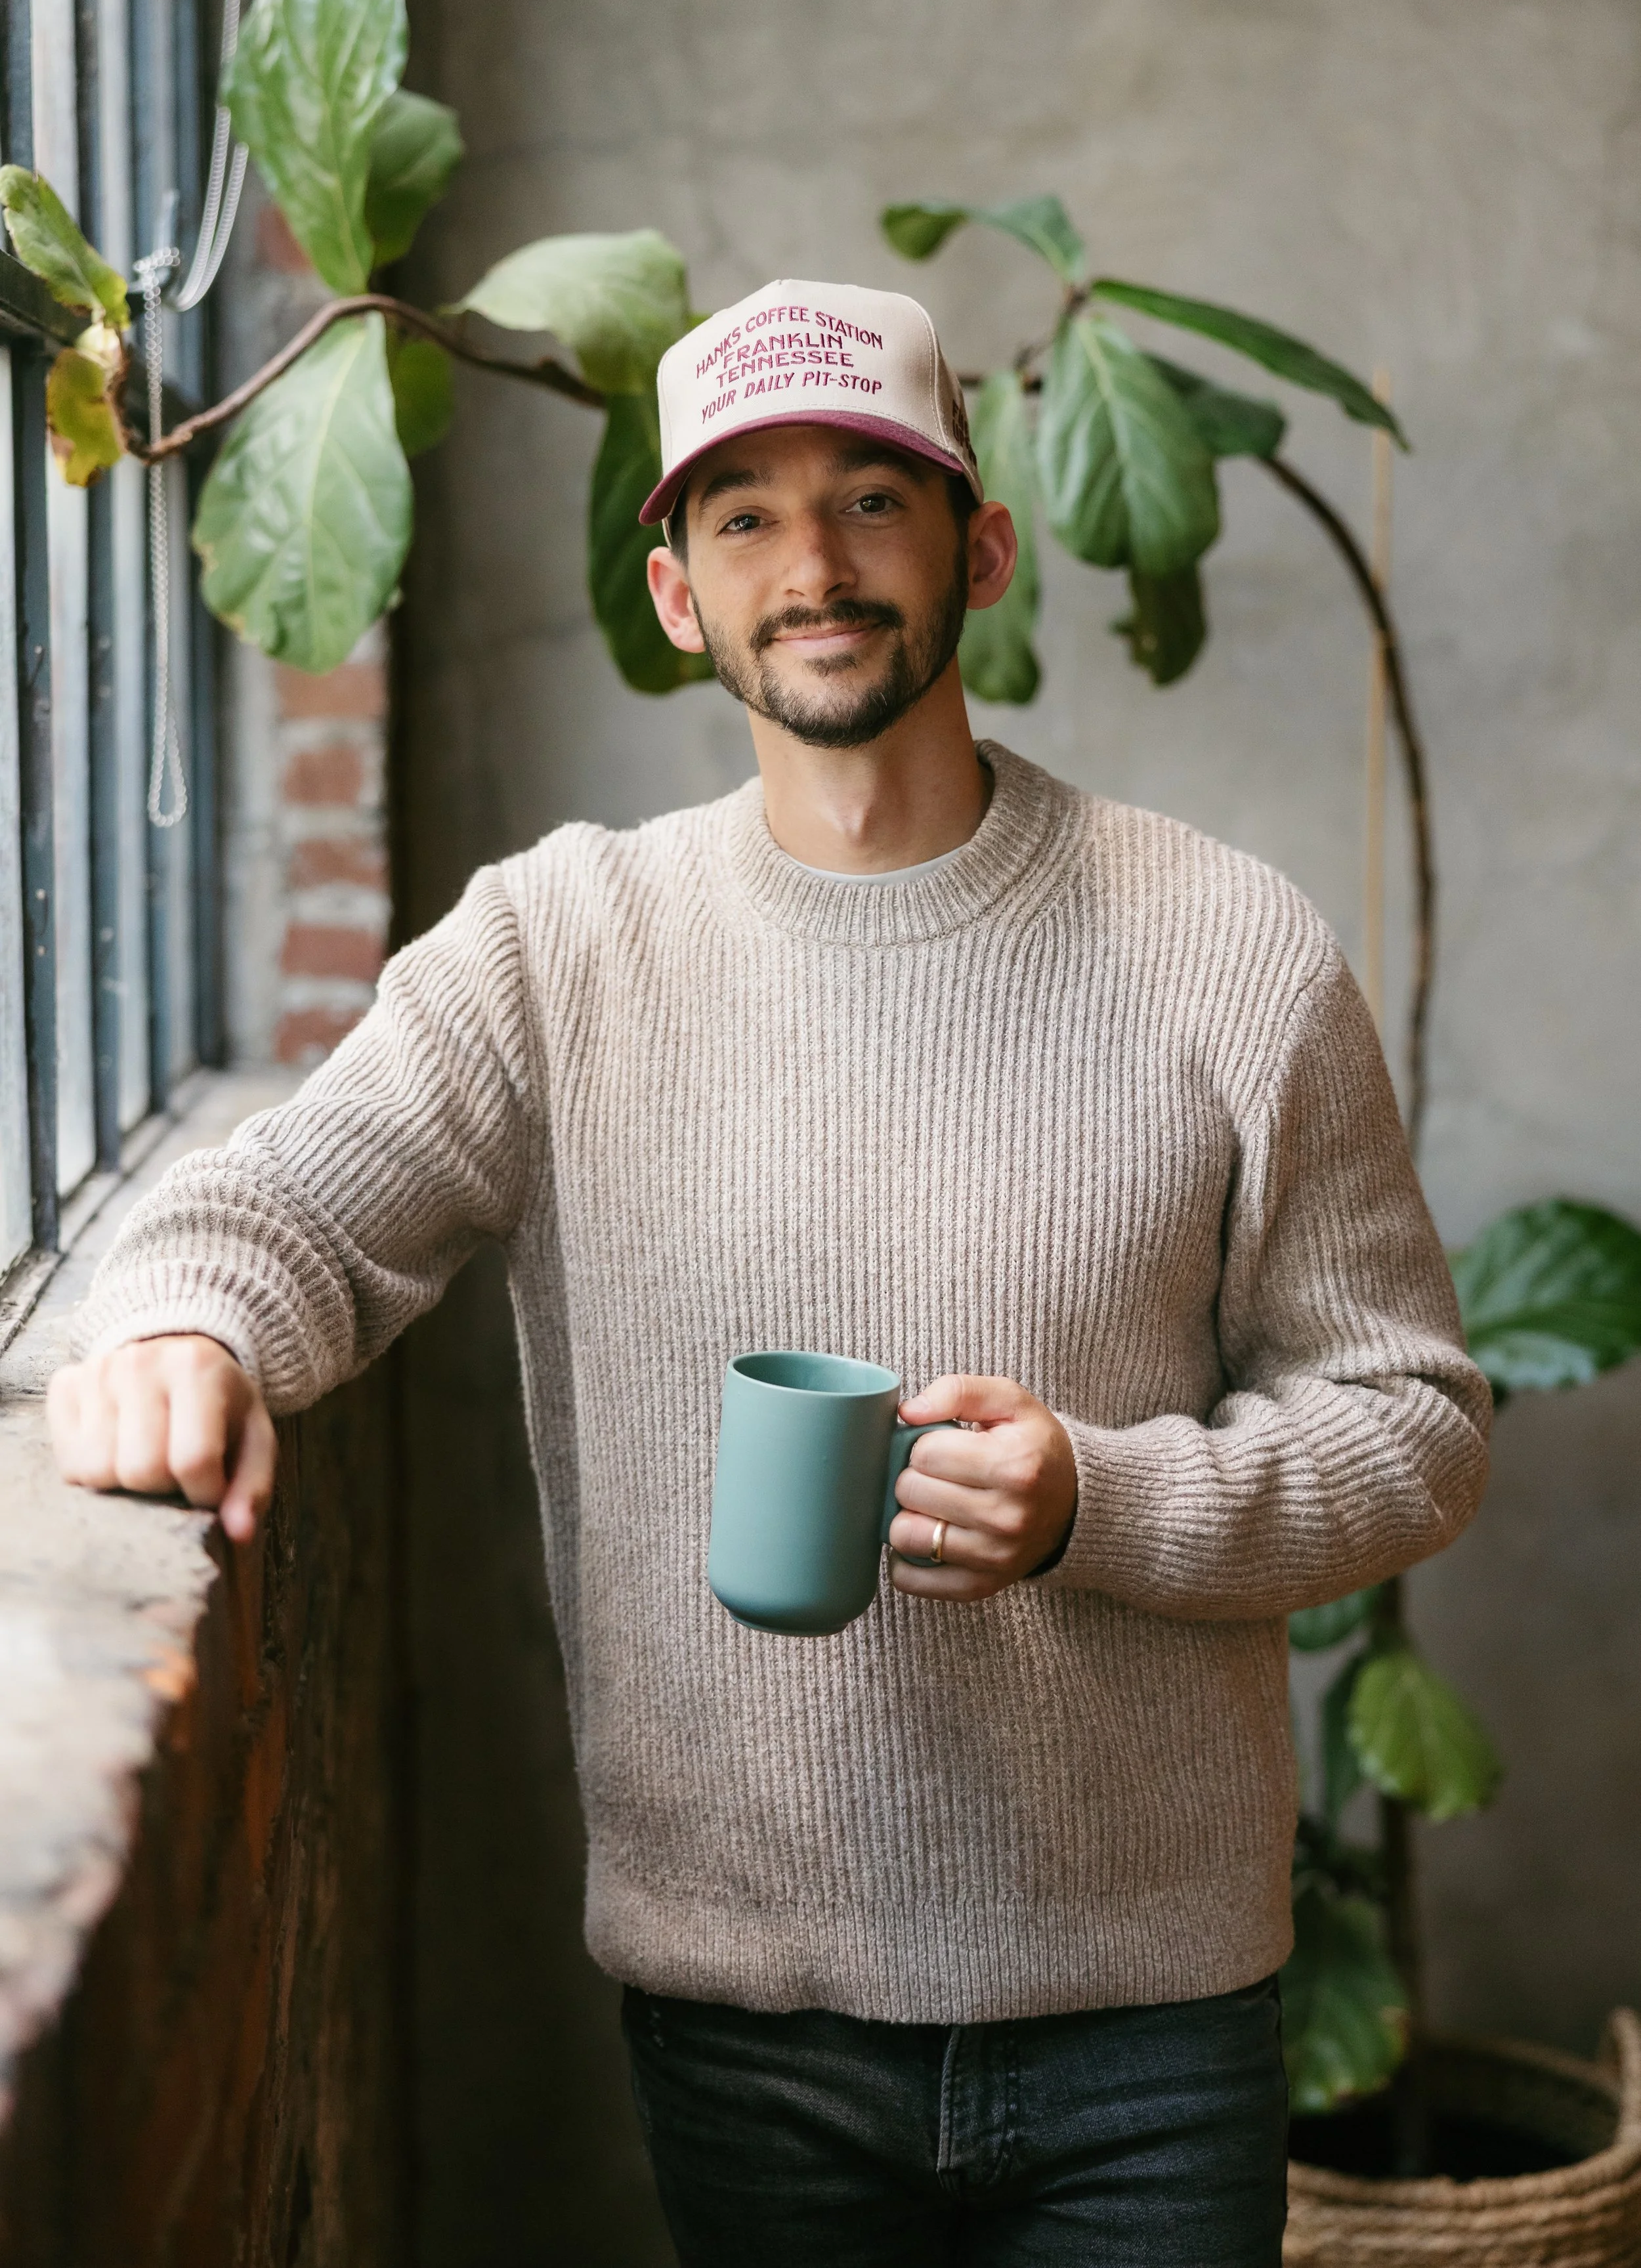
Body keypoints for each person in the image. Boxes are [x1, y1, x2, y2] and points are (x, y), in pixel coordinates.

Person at [49, 278, 1490, 2264]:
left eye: (869, 500)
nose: (811, 564)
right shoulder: (561, 946)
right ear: (672, 592)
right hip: (747, 2017)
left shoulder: (1224, 947)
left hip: (1150, 2018)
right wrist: (178, 1315)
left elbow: (1410, 1424)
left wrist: (1101, 1494)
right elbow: (284, 1203)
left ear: (977, 546)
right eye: (741, 514)